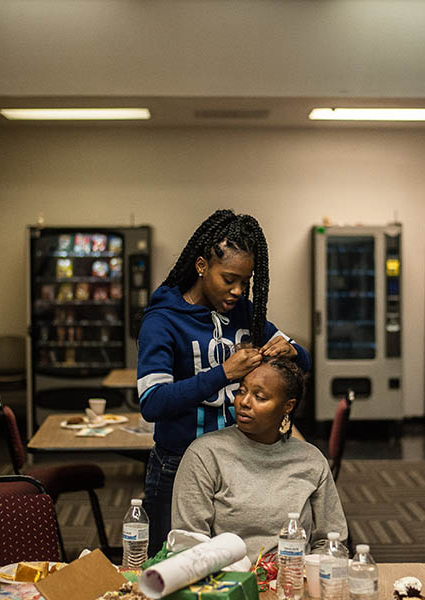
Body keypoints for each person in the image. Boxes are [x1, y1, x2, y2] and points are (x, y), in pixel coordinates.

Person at [136, 209, 311, 555]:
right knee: (170, 565)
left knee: (231, 563)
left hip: (237, 463)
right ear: (201, 266)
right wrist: (224, 374)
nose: (237, 291)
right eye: (229, 279)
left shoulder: (244, 313)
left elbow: (302, 362)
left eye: (245, 282)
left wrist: (291, 350)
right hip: (177, 464)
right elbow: (153, 403)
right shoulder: (162, 322)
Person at [171, 356, 347, 561]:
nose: (244, 402)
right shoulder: (205, 454)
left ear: (288, 406)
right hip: (224, 582)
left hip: (292, 582)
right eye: (241, 391)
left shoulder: (310, 460)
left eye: (260, 397)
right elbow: (190, 542)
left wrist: (306, 578)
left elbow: (331, 541)